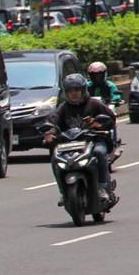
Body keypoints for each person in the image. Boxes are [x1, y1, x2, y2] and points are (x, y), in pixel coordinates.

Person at [44, 73, 116, 202]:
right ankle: (63, 191)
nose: (73, 94)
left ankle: (102, 187)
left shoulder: (94, 103)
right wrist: (49, 133)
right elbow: (53, 122)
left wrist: (98, 125)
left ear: (83, 90)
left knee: (99, 153)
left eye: (76, 90)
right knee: (55, 159)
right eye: (70, 91)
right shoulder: (63, 108)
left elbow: (111, 119)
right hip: (71, 143)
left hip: (94, 140)